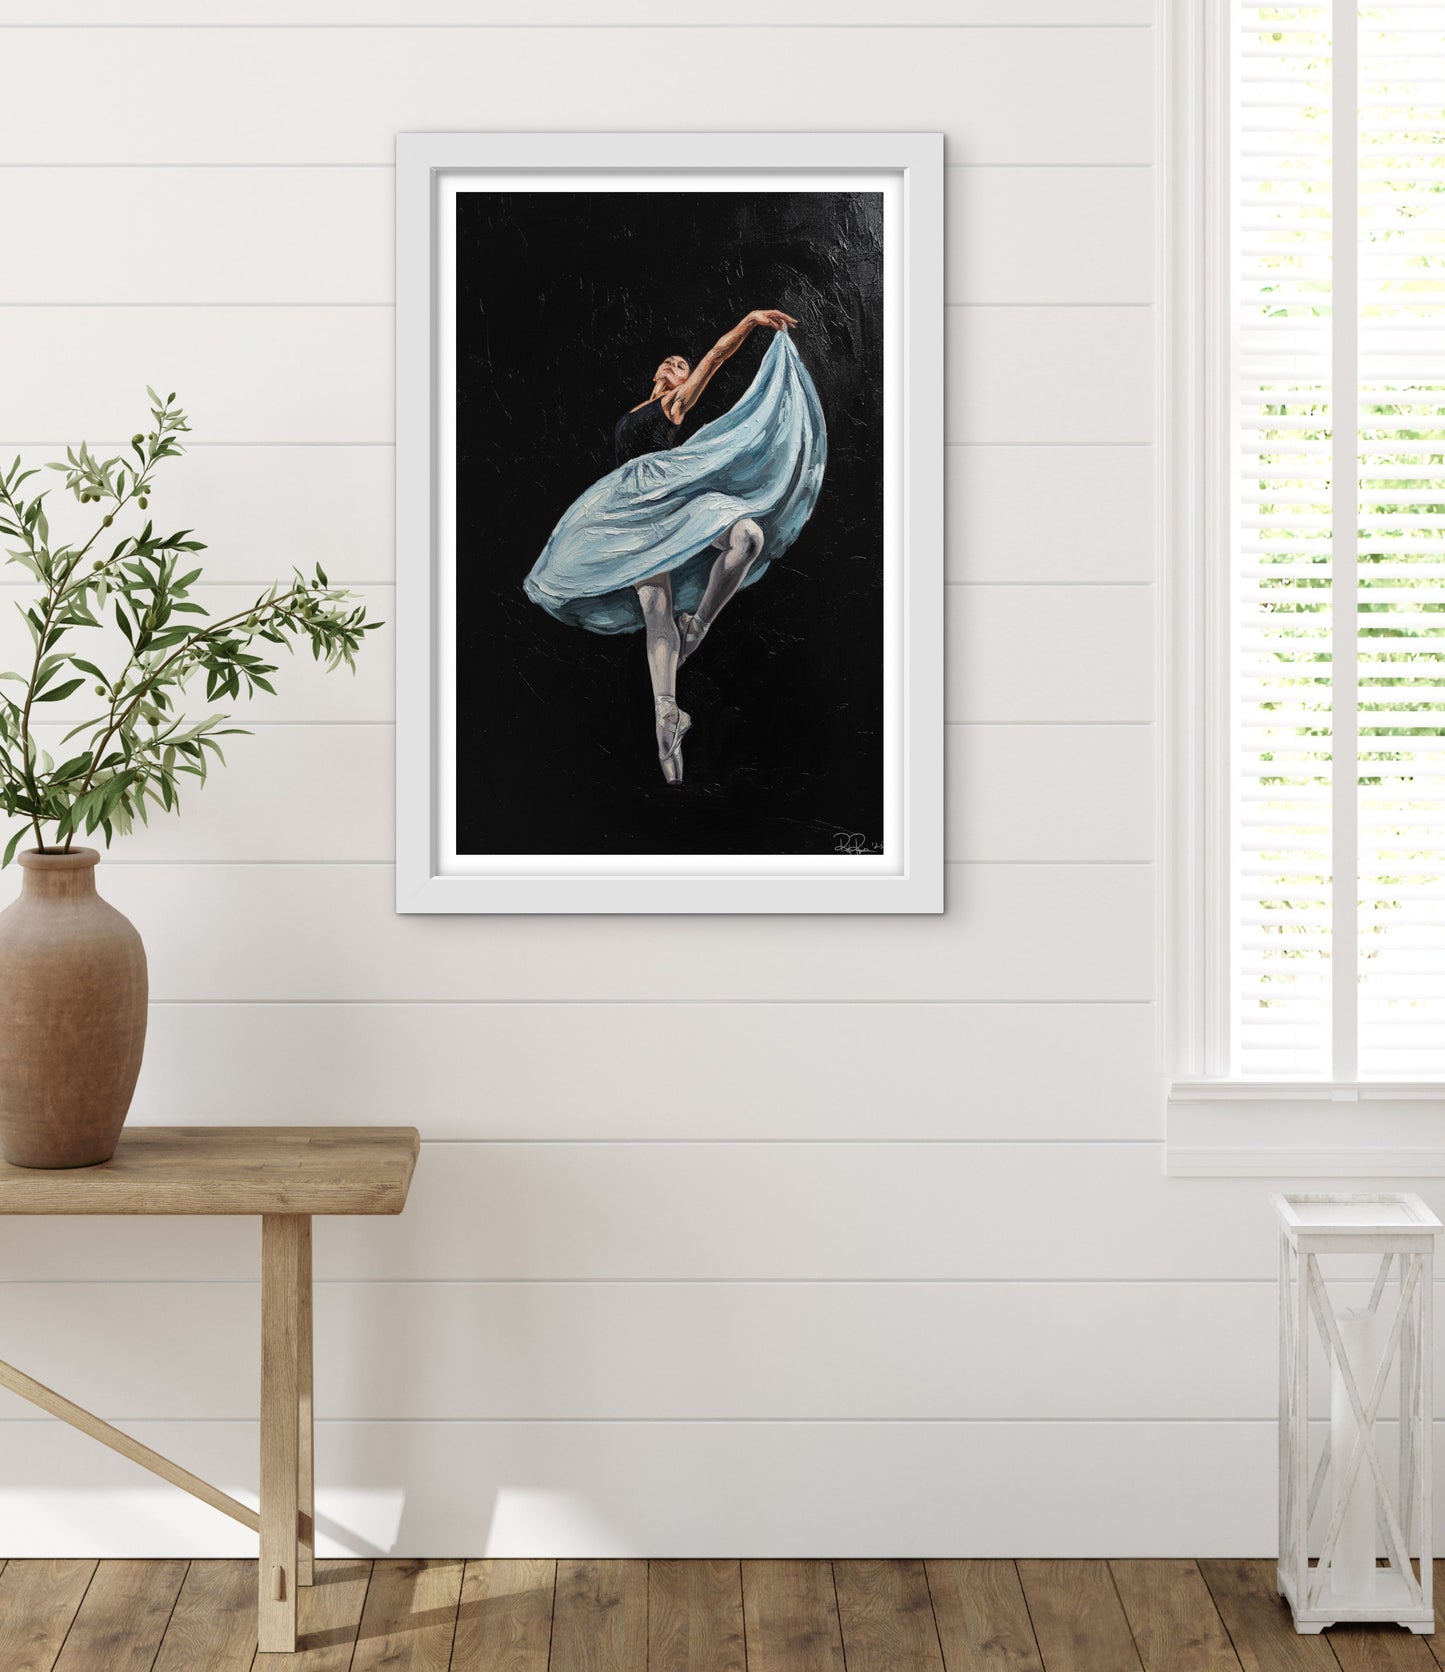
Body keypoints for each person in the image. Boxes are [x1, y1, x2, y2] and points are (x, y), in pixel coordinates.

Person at [523, 308, 827, 785]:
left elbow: (716, 356)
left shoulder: (673, 406)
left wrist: (748, 322)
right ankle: (667, 716)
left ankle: (700, 624)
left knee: (747, 537)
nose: (674, 364)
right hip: (629, 509)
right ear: (654, 373)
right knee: (653, 606)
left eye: (681, 365)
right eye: (669, 361)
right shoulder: (635, 411)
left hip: (668, 491)